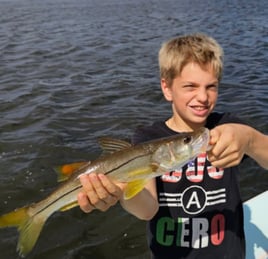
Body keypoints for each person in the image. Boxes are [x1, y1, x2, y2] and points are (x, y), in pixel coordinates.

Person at [77, 33, 268, 259]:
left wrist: (249, 139)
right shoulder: (147, 137)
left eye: (211, 86)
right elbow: (147, 209)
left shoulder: (228, 127)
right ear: (167, 88)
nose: (203, 97)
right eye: (190, 86)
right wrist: (121, 191)